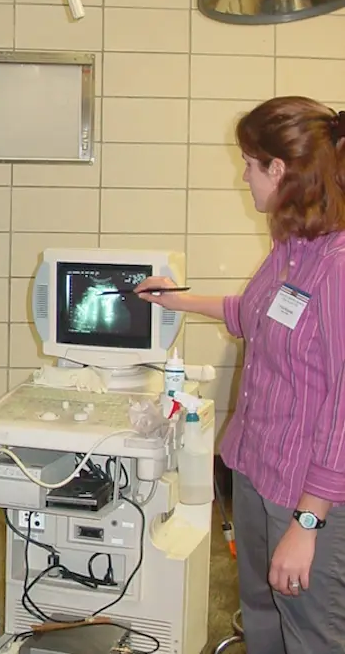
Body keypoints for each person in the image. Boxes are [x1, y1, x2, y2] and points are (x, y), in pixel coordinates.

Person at [135, 96, 345, 653]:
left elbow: (344, 410)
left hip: (309, 493)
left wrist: (307, 524)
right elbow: (256, 314)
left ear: (279, 170)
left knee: (310, 633)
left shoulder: (338, 266)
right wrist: (179, 301)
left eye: (249, 164)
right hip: (257, 470)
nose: (243, 176)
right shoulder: (291, 247)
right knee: (261, 616)